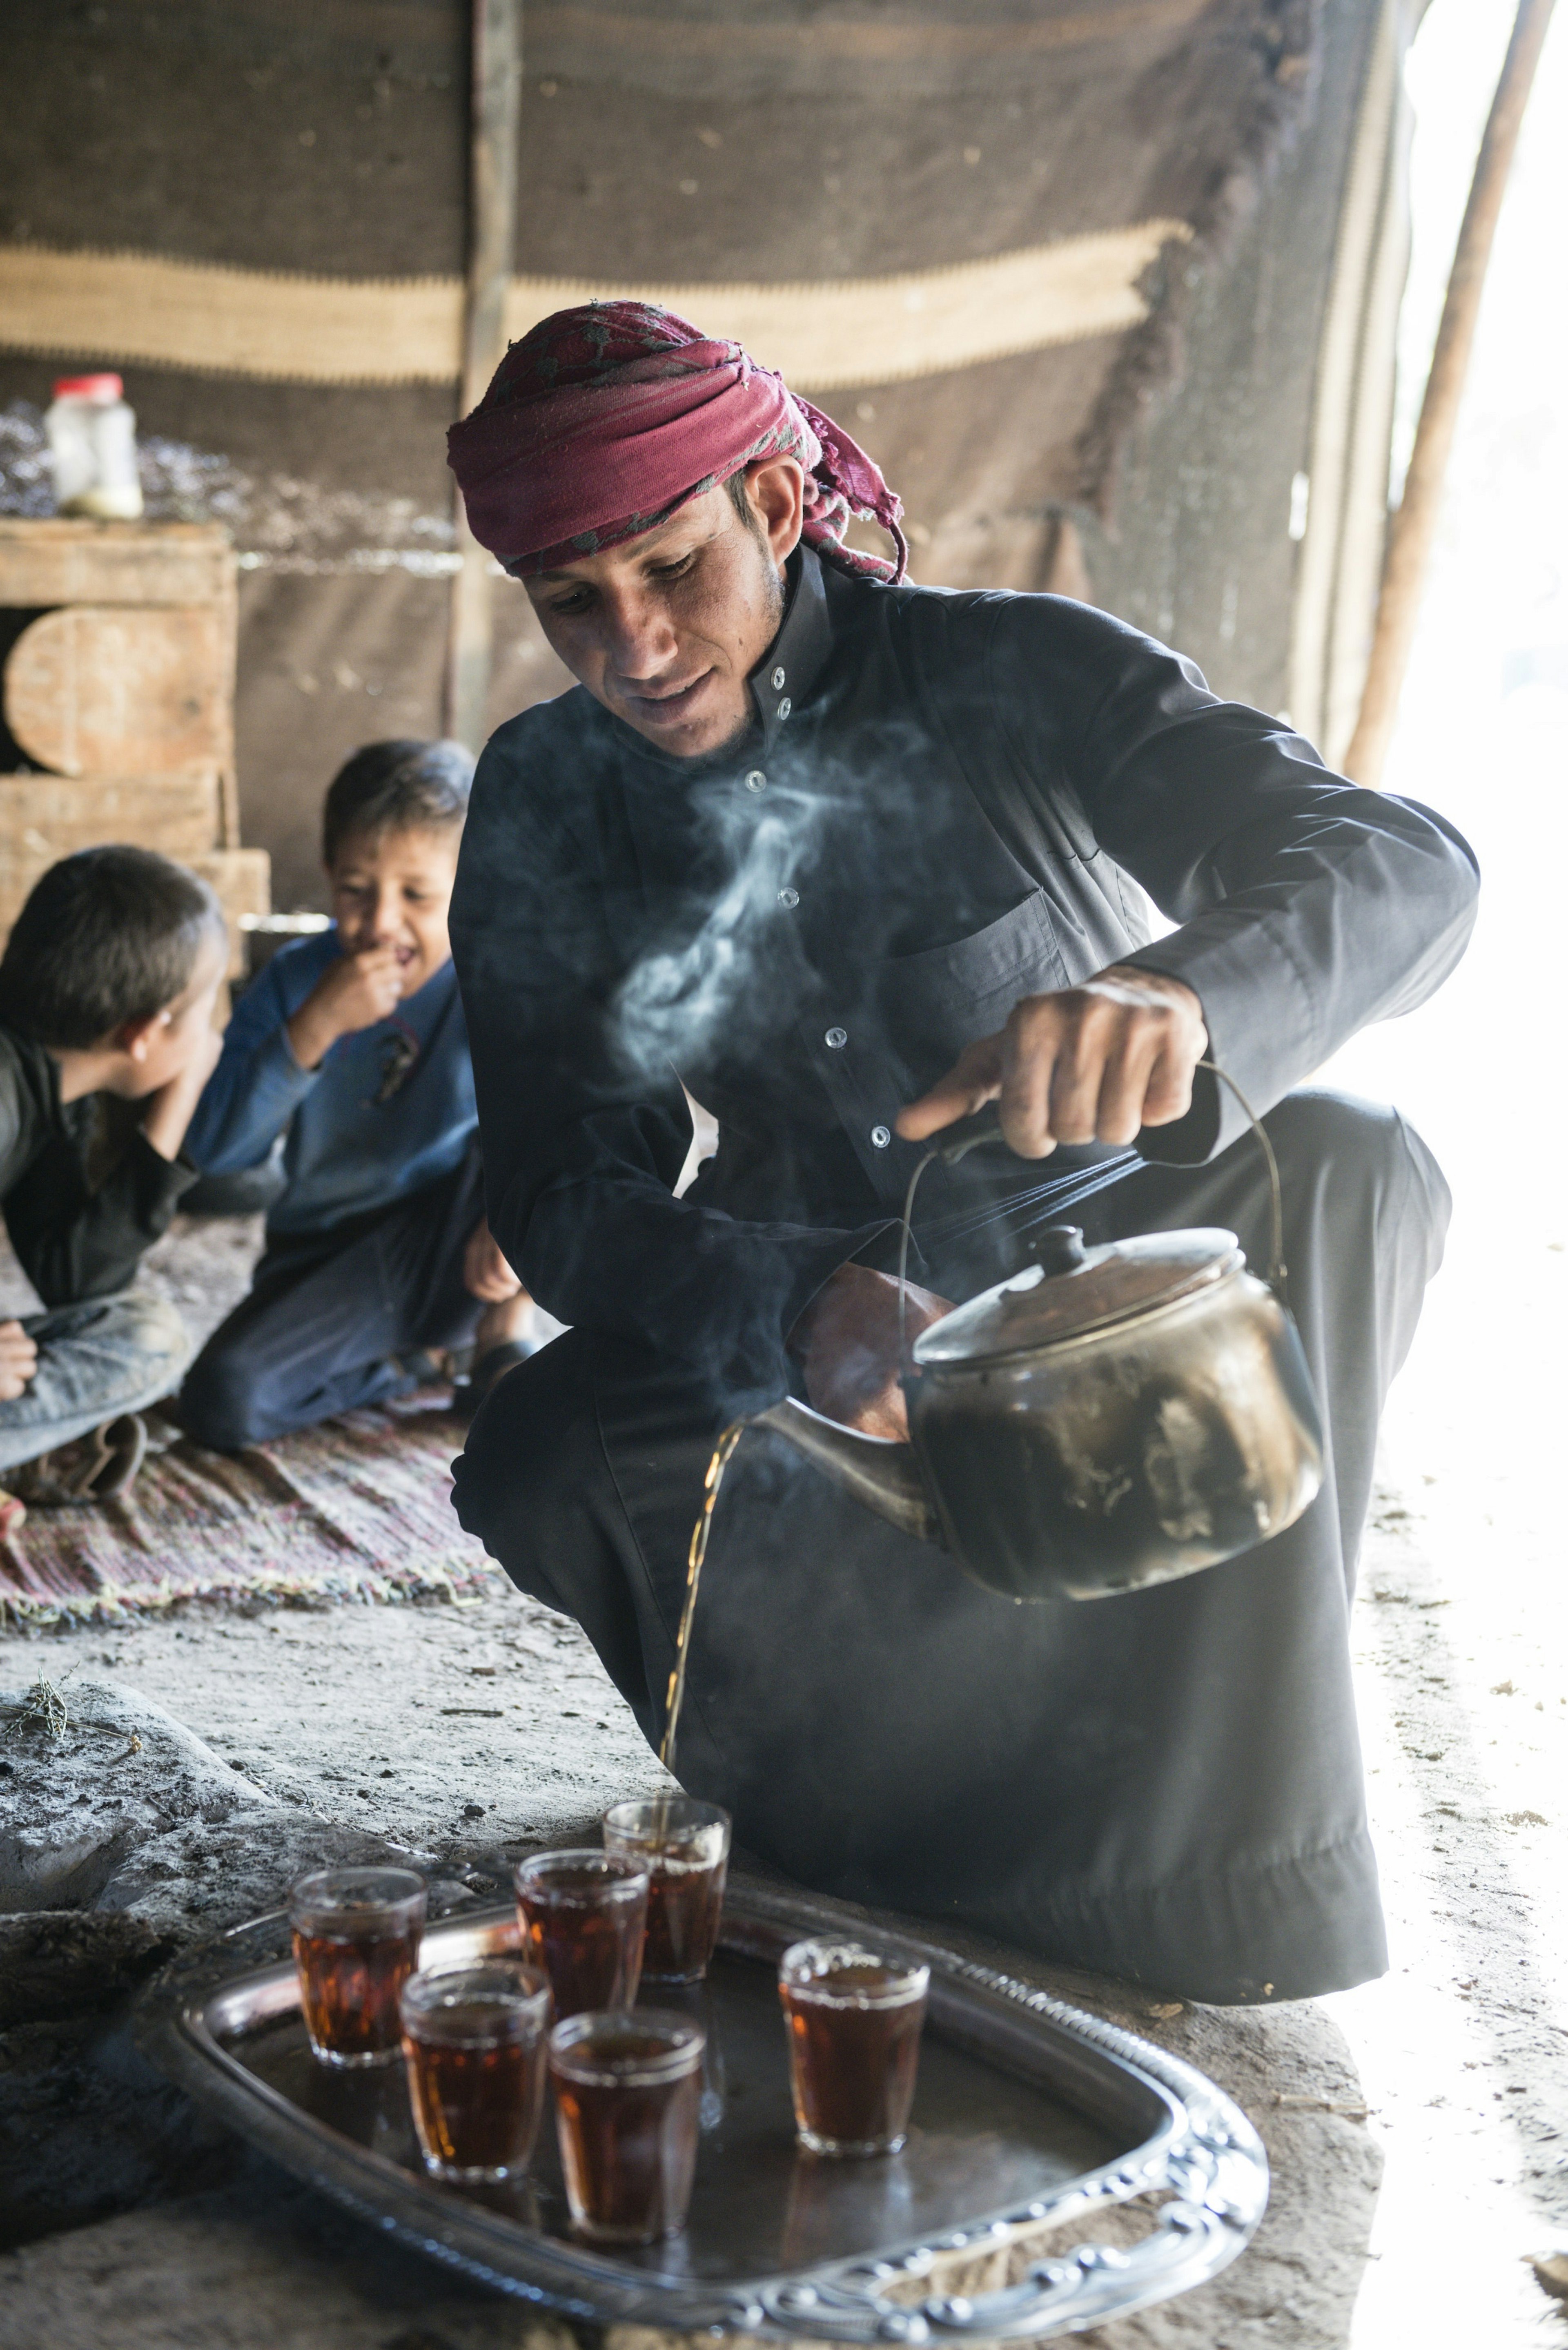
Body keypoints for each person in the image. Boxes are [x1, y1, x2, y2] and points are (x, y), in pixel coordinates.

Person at [443, 302, 1479, 2004]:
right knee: (551, 1448)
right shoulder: (550, 791)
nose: (633, 647)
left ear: (776, 505)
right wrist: (794, 1303)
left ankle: (1216, 1864)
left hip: (1099, 1241)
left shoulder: (1015, 664)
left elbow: (1408, 866)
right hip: (809, 1301)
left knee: (1358, 1160)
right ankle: (875, 1844)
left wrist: (1182, 996)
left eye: (673, 569)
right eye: (576, 603)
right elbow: (561, 1187)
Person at [178, 740, 536, 1451]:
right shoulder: (294, 980)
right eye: (355, 889)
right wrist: (313, 1029)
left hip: (456, 1238)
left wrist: (515, 1217)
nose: (380, 922)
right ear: (326, 872)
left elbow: (556, 1114)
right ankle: (423, 1359)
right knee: (221, 1400)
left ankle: (506, 1325)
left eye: (418, 895)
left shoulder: (493, 975)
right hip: (328, 1256)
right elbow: (215, 1153)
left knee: (571, 1122)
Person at [0, 846, 227, 1524]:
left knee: (145, 1333)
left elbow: (77, 1277)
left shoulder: (52, 1081)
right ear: (145, 1032)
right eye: (204, 1011)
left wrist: (176, 1099)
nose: (213, 1030)